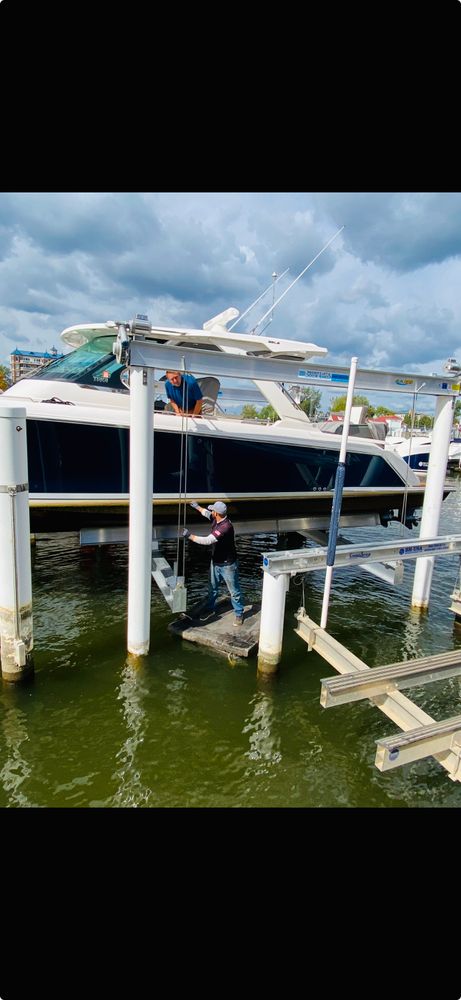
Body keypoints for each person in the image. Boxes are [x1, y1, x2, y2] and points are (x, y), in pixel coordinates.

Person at [183, 501, 245, 626]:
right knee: (212, 588)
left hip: (228, 565)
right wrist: (197, 506)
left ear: (217, 513)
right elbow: (206, 513)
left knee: (234, 591)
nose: (211, 511)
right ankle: (210, 608)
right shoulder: (218, 519)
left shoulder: (225, 527)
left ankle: (239, 614)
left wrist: (190, 536)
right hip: (215, 561)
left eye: (213, 510)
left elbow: (208, 540)